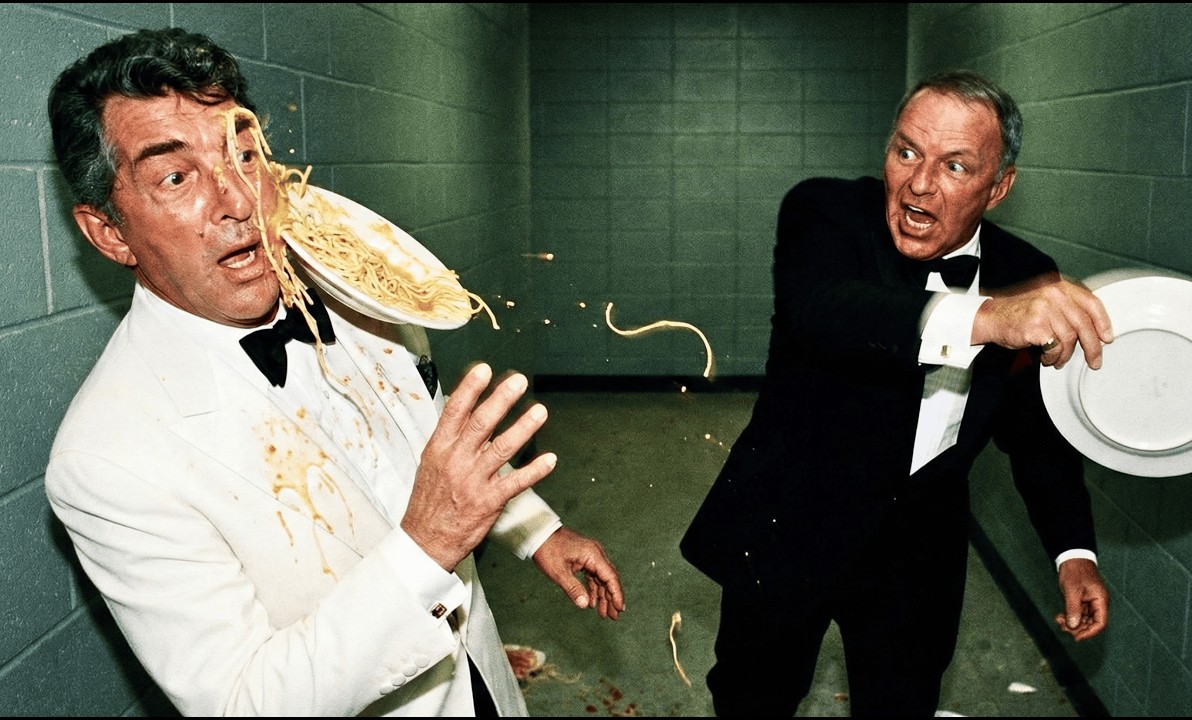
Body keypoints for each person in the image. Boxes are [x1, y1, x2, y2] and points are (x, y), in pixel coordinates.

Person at [43, 27, 624, 717]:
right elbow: (242, 703)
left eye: (244, 154)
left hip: (479, 682)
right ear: (110, 233)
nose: (239, 200)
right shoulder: (104, 460)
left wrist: (536, 530)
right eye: (176, 177)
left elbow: (429, 441)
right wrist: (429, 544)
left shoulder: (352, 289)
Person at [680, 69, 1113, 717]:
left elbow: (1036, 435)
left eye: (955, 166)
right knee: (752, 699)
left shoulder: (1026, 275)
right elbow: (825, 309)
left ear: (999, 187)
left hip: (918, 549)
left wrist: (1073, 551)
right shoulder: (825, 213)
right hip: (790, 520)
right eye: (906, 152)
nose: (919, 184)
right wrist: (987, 318)